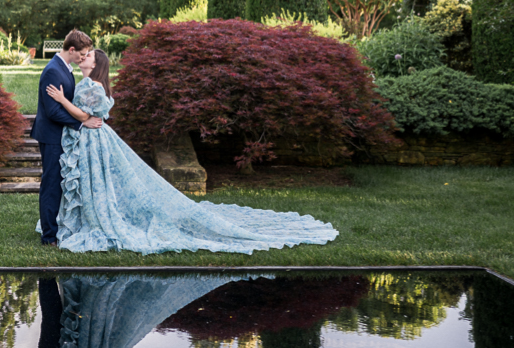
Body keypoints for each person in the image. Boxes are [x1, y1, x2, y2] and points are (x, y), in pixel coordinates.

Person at [45, 49, 339, 254]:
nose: (84, 58)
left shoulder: (92, 87)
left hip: (94, 138)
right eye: (84, 55)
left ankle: (97, 220)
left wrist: (61, 99)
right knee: (94, 184)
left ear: (97, 65)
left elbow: (86, 117)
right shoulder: (88, 83)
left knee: (98, 183)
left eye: (89, 56)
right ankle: (85, 217)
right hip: (91, 139)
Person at [31, 29, 102, 246]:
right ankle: (49, 237)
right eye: (82, 54)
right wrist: (81, 123)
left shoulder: (65, 69)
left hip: (59, 135)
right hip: (52, 136)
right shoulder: (53, 71)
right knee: (51, 185)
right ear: (71, 49)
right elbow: (52, 111)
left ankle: (55, 227)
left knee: (58, 184)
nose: (83, 57)